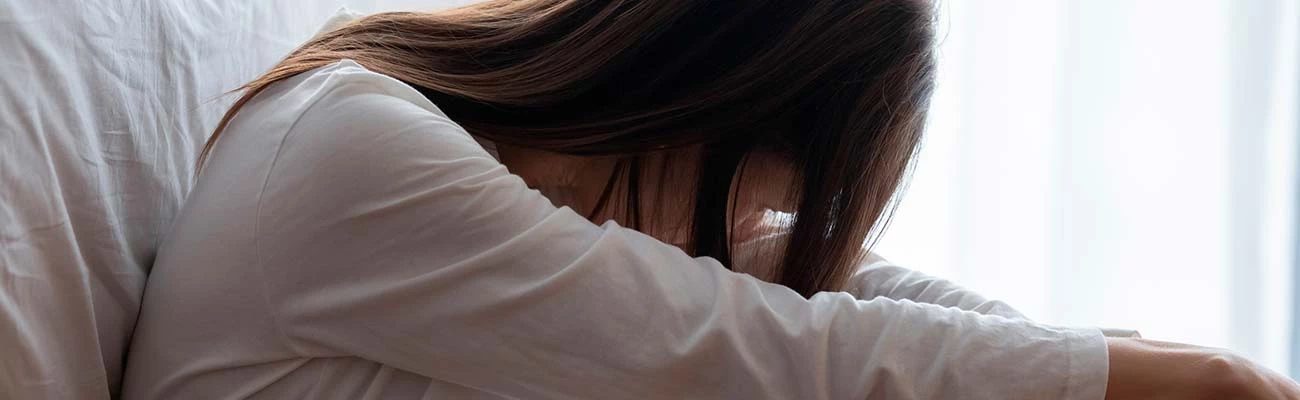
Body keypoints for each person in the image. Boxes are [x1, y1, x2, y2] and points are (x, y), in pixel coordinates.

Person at [122, 0, 1300, 398]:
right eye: (784, 195)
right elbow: (745, 347)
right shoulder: (353, 148)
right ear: (715, 108)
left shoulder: (492, 188)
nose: (757, 235)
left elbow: (838, 289)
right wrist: (1169, 377)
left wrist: (1113, 360)